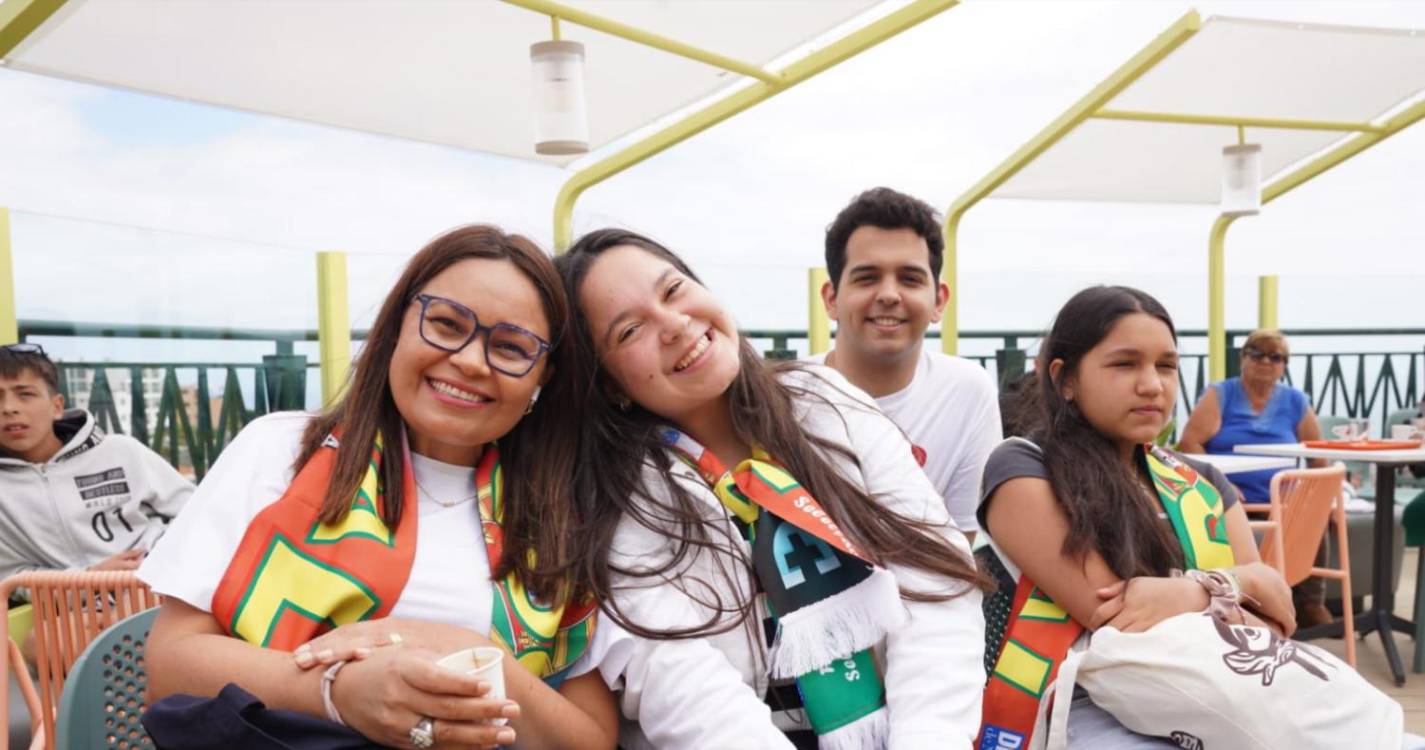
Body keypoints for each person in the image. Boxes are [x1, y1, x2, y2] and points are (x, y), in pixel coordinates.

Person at [138, 226, 617, 750]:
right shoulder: (282, 452)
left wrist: (477, 656)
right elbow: (170, 665)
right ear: (396, 327)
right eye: (446, 324)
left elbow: (590, 739)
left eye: (510, 347)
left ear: (542, 376)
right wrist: (335, 692)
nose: (469, 361)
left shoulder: (557, 516)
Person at [554, 228, 987, 749]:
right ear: (607, 382)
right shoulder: (615, 494)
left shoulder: (825, 401)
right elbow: (681, 685)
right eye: (629, 331)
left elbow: (933, 580)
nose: (675, 324)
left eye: (672, 290)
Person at [978, 286, 1297, 748]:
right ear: (1065, 379)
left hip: (1220, 693)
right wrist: (1239, 587)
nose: (1152, 385)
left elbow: (1276, 620)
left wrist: (1191, 591)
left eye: (1166, 366)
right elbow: (1115, 617)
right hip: (1077, 706)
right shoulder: (1023, 468)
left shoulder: (1202, 482)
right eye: (1125, 364)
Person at [810, 187, 1001, 538]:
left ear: (938, 301)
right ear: (832, 298)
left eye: (910, 279)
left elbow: (959, 541)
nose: (888, 294)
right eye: (867, 278)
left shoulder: (967, 391)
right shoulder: (784, 395)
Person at [0, 343, 192, 580]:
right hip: (71, 601)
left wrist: (152, 560)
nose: (9, 408)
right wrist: (88, 578)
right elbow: (10, 576)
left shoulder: (121, 451)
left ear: (57, 406)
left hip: (156, 586)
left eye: (25, 394)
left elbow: (196, 513)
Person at [1178, 329, 1330, 626]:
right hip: (1231, 497)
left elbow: (1317, 455)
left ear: (1284, 365)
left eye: (1275, 357)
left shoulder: (1296, 401)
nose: (1266, 362)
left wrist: (1321, 498)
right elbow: (1190, 442)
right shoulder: (1221, 394)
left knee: (1314, 514)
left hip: (1282, 498)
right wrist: (1219, 483)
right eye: (1257, 354)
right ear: (1243, 358)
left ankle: (1311, 603)